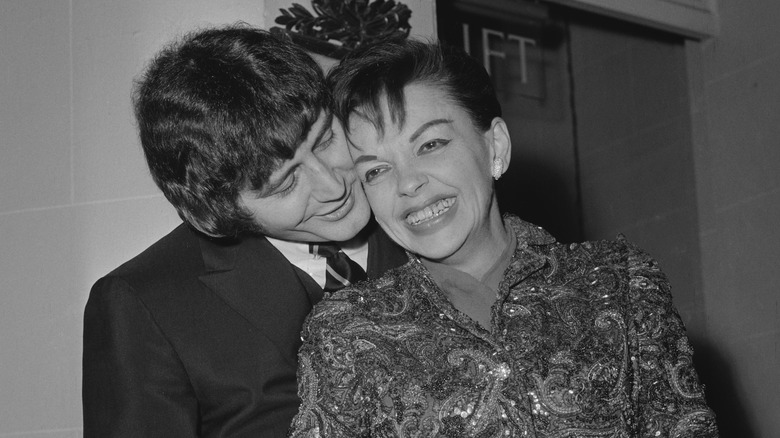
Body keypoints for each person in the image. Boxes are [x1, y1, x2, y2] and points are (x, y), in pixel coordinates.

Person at [289, 39, 718, 437]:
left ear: (495, 145)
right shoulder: (346, 332)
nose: (408, 184)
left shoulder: (622, 282)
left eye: (430, 144)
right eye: (376, 170)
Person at [81, 25, 406, 437]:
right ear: (217, 212)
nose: (333, 185)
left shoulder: (424, 216)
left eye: (324, 140)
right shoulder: (144, 303)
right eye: (285, 184)